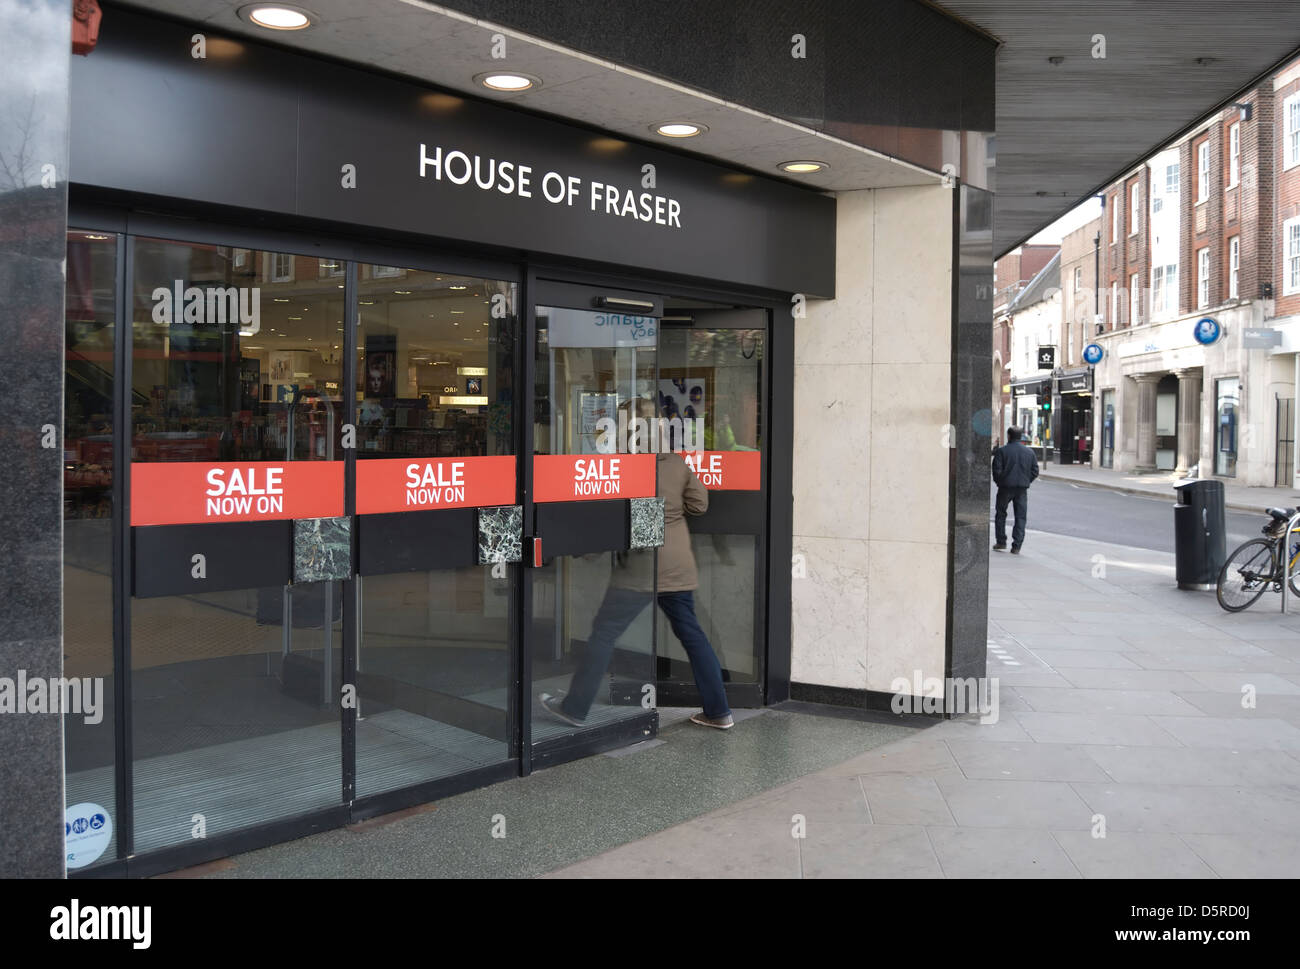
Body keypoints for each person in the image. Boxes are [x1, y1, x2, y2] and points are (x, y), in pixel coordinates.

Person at [541, 400, 734, 730]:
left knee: (604, 633)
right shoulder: (675, 462)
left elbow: (609, 516)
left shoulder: (624, 465)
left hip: (640, 567)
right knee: (693, 636)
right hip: (677, 565)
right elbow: (699, 504)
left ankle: (574, 707)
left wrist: (586, 549)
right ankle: (719, 712)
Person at [991, 426, 1039, 554]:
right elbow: (1035, 471)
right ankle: (1017, 545)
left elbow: (996, 470)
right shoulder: (1029, 452)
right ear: (1021, 436)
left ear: (1009, 436)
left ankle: (1001, 541)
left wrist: (1000, 482)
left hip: (1005, 487)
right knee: (1020, 516)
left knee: (1001, 514)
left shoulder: (1002, 451)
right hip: (1021, 489)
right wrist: (1026, 481)